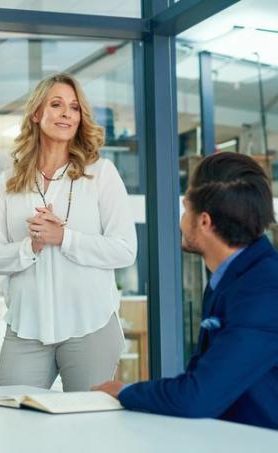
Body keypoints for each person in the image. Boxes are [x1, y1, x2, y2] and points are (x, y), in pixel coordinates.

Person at [94, 152, 278, 430]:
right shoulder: (233, 277)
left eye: (186, 205)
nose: (182, 213)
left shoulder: (264, 290)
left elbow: (197, 396)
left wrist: (123, 392)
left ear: (204, 222)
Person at [0, 73, 137, 391]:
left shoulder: (101, 174)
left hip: (90, 326)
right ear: (37, 114)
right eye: (56, 104)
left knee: (89, 431)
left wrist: (64, 238)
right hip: (26, 328)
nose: (67, 113)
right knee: (12, 418)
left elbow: (124, 249)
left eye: (74, 107)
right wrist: (31, 247)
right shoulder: (7, 182)